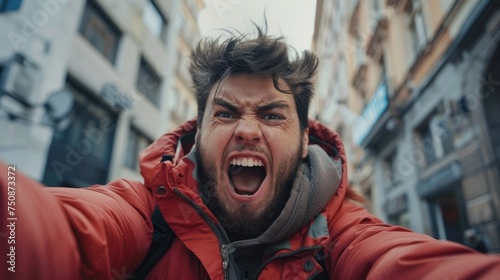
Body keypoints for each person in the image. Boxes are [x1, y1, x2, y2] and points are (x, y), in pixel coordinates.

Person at [1, 25, 500, 280]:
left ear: (305, 139)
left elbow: (399, 262)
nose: (246, 130)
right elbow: (58, 230)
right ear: (197, 135)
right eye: (225, 113)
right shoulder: (145, 211)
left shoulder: (342, 233)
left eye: (272, 114)